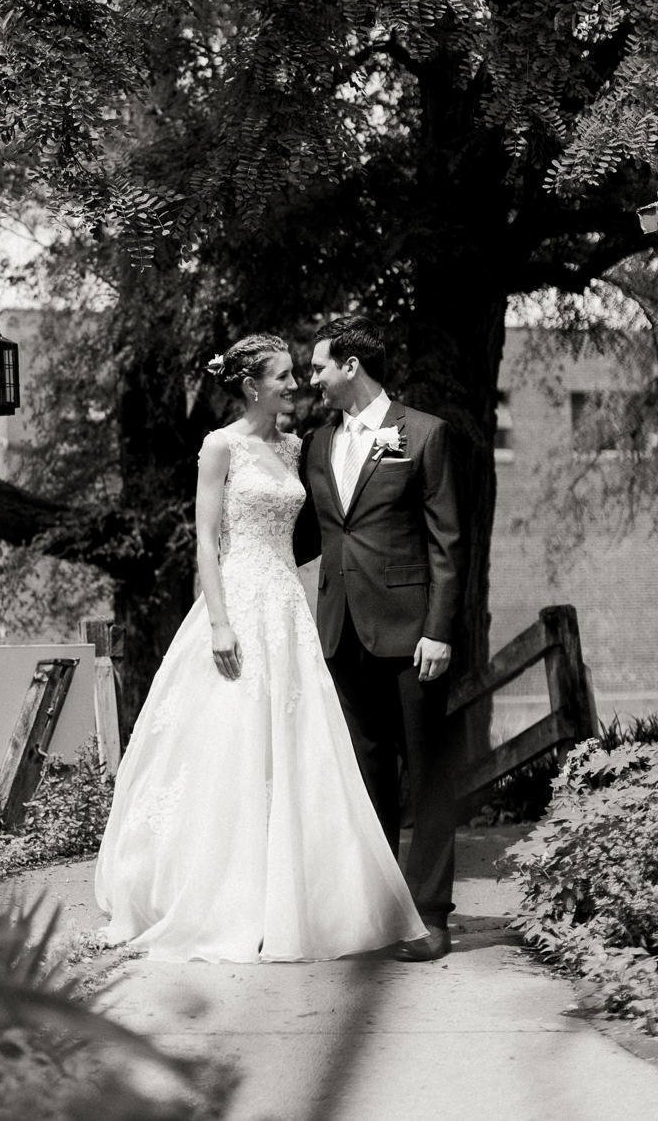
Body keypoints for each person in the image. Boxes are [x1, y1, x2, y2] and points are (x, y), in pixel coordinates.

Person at [94, 333, 427, 962]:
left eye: (298, 376)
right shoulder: (220, 447)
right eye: (283, 377)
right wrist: (220, 622)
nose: (296, 386)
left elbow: (316, 526)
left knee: (298, 749)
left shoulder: (298, 448)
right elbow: (204, 540)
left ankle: (296, 899)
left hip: (288, 608)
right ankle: (224, 897)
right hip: (239, 606)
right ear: (252, 386)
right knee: (232, 746)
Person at [294, 314, 464, 962]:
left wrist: (439, 630)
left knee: (427, 774)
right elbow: (314, 534)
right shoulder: (316, 444)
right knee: (365, 781)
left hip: (412, 635)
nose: (313, 379)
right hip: (340, 632)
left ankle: (430, 914)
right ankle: (380, 912)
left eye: (319, 367)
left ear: (352, 367)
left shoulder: (423, 435)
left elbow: (449, 542)